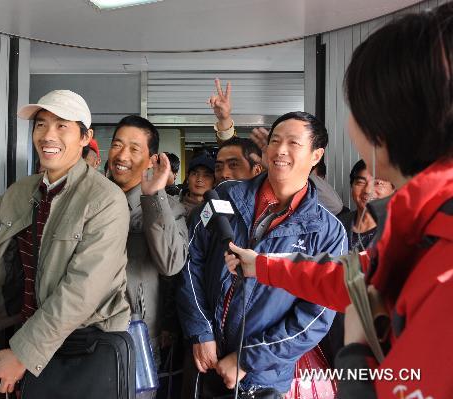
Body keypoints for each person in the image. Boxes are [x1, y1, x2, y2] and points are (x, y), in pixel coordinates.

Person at [225, 4, 453, 397]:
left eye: (356, 109)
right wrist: (260, 265)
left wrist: (355, 350)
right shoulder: (420, 223)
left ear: (387, 123)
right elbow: (351, 277)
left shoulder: (439, 252)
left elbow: (406, 385)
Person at [0, 90, 131, 394]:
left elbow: (81, 291)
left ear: (86, 137)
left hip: (85, 346)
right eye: (41, 124)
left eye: (62, 126)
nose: (48, 135)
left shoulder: (105, 199)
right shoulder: (23, 191)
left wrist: (22, 353)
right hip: (33, 338)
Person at [177, 111, 347, 398]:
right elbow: (190, 258)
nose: (280, 150)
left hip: (263, 377)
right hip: (204, 359)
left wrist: (247, 359)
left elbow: (313, 318)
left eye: (293, 143)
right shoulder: (224, 196)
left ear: (316, 155)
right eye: (275, 141)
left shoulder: (327, 233)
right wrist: (201, 331)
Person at [107, 115, 188, 365]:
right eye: (117, 145)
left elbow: (171, 263)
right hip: (84, 328)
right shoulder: (93, 200)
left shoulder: (169, 207)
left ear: (152, 159)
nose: (122, 156)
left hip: (134, 331)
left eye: (134, 148)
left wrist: (153, 197)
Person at [210, 78, 344, 215]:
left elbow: (333, 206)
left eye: (293, 142)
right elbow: (233, 151)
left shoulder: (278, 194)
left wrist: (286, 169)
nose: (224, 174)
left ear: (258, 169)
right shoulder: (218, 203)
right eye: (275, 141)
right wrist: (224, 120)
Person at [339, 160, 395, 252]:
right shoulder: (336, 225)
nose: (368, 190)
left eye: (378, 183)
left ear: (393, 189)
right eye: (361, 182)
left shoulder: (401, 231)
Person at [180, 153, 215, 222]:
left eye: (207, 175)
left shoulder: (218, 208)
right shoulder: (173, 204)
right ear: (187, 179)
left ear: (214, 182)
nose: (199, 179)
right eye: (195, 174)